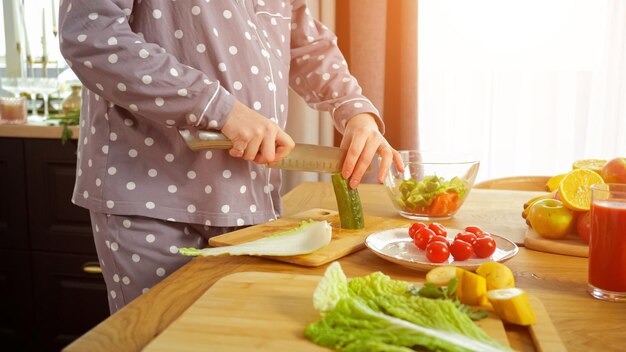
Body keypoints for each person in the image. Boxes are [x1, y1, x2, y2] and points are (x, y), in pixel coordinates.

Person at [59, 0, 403, 313]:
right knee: (157, 335)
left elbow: (304, 40)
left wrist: (354, 110)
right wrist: (220, 110)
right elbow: (91, 35)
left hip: (248, 199)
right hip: (149, 197)